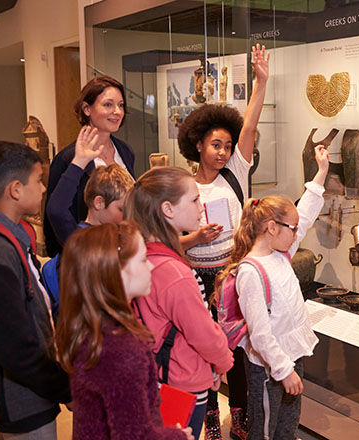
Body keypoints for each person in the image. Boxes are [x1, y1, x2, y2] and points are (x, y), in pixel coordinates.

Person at [177, 43, 269, 440]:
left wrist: (261, 81)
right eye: (216, 145)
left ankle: (242, 414)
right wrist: (196, 237)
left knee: (238, 350)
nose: (223, 152)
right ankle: (210, 415)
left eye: (227, 146)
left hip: (232, 275)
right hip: (197, 276)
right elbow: (169, 241)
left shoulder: (235, 174)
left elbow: (248, 125)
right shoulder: (182, 185)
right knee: (204, 347)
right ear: (198, 144)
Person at [215, 145, 329, 440]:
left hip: (292, 357)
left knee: (287, 428)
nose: (297, 232)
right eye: (291, 228)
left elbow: (303, 215)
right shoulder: (251, 272)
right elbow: (260, 334)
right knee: (264, 430)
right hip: (268, 368)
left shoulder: (281, 250)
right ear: (270, 228)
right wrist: (283, 370)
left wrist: (322, 172)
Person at [0, 141, 71, 438]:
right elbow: (14, 349)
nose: (44, 188)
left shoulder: (12, 238)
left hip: (32, 394)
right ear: (15, 189)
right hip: (23, 401)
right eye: (38, 180)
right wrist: (65, 388)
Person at [54, 222, 193, 440]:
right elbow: (134, 435)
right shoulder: (121, 351)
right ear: (116, 272)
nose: (151, 267)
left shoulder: (93, 329)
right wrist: (177, 436)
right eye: (143, 259)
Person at [125, 166, 234, 438]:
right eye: (195, 200)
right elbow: (203, 332)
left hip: (159, 373)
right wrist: (223, 362)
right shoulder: (173, 272)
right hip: (181, 380)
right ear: (168, 209)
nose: (201, 207)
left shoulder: (143, 258)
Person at [45, 75, 135, 257]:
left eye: (121, 105)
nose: (117, 111)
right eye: (108, 105)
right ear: (87, 109)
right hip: (88, 253)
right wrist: (79, 252)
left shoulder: (125, 150)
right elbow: (55, 215)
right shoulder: (67, 158)